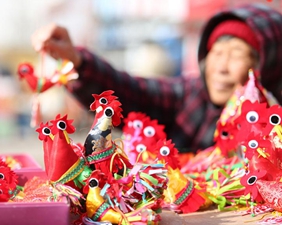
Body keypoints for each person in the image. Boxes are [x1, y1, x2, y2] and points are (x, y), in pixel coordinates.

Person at [31, 3, 282, 154]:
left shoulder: (275, 117)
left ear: (267, 64)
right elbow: (132, 91)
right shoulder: (189, 95)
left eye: (236, 55)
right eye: (216, 53)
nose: (221, 68)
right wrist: (77, 61)